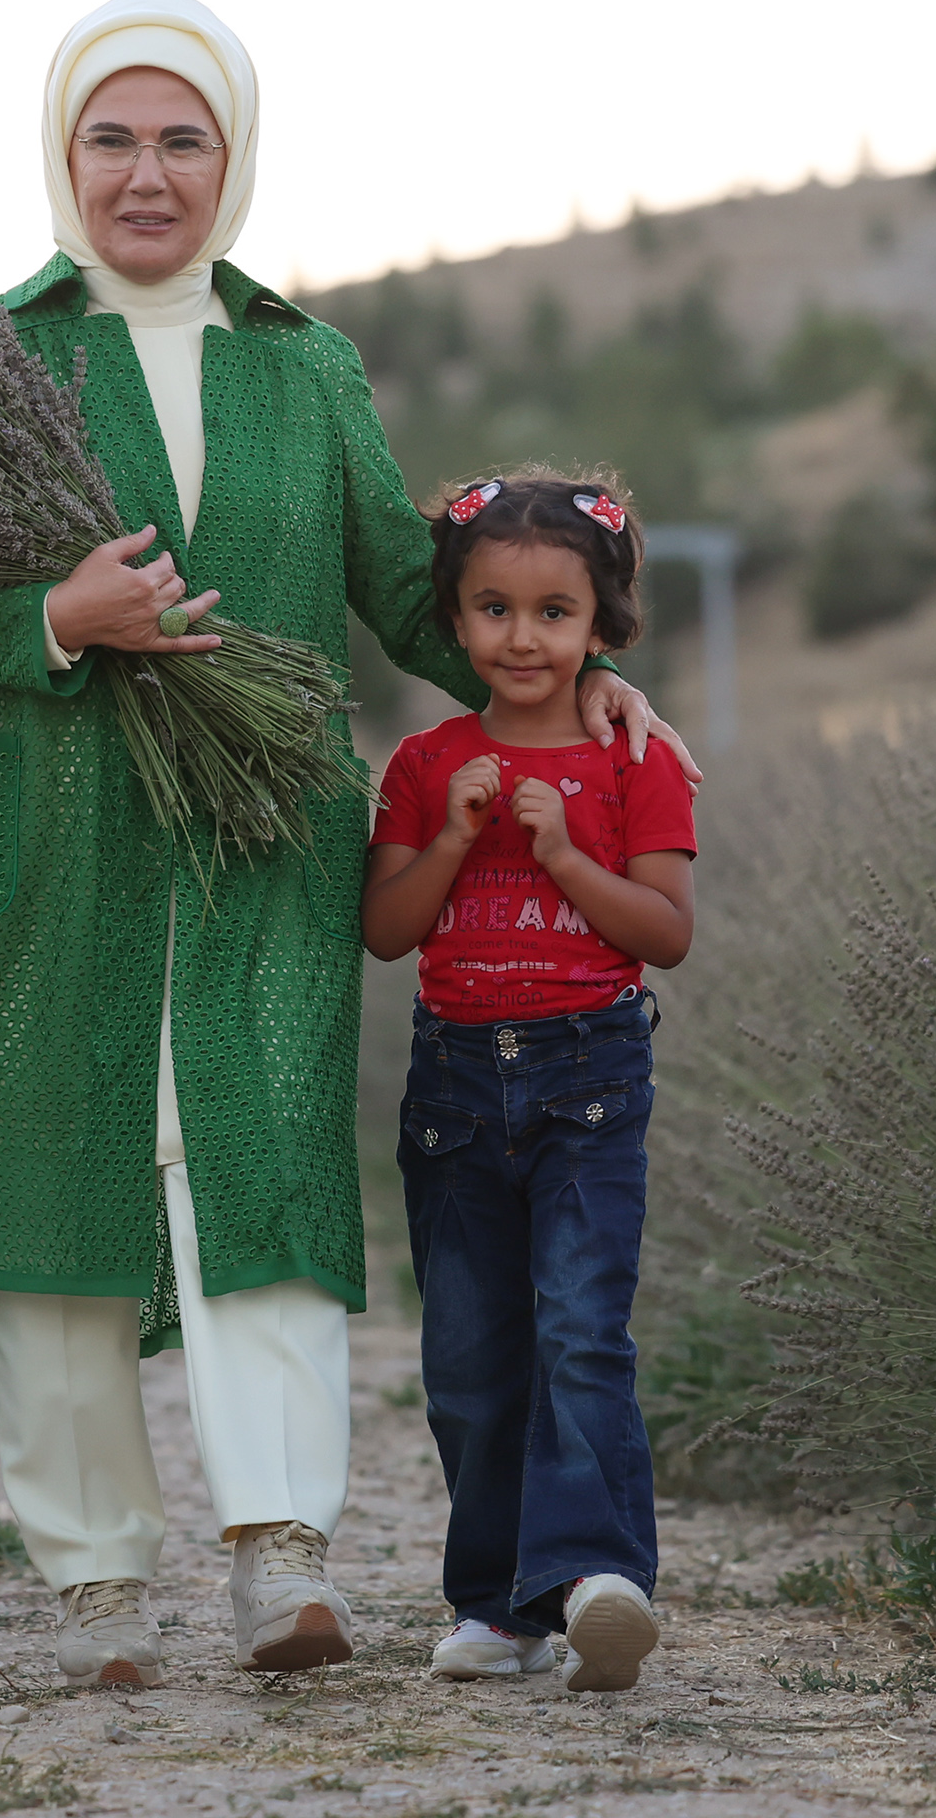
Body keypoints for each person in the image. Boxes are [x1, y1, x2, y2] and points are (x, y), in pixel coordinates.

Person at [0, 0, 696, 1689]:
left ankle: (282, 1554)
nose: (145, 172)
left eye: (181, 137)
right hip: (36, 825)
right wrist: (59, 609)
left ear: (233, 157)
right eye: (110, 137)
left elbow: (411, 588)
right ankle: (95, 1576)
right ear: (62, 155)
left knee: (255, 1168)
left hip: (258, 833)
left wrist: (585, 677)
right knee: (56, 1180)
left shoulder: (302, 362)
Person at [361, 470, 696, 1694]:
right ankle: (500, 1609)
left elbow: (665, 931)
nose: (523, 636)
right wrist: (453, 835)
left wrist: (560, 851)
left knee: (580, 1335)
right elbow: (387, 929)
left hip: (590, 1084)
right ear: (453, 620)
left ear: (602, 627)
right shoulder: (423, 761)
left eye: (555, 612)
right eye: (493, 608)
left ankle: (603, 1581)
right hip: (454, 1091)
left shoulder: (633, 758)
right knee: (468, 1357)